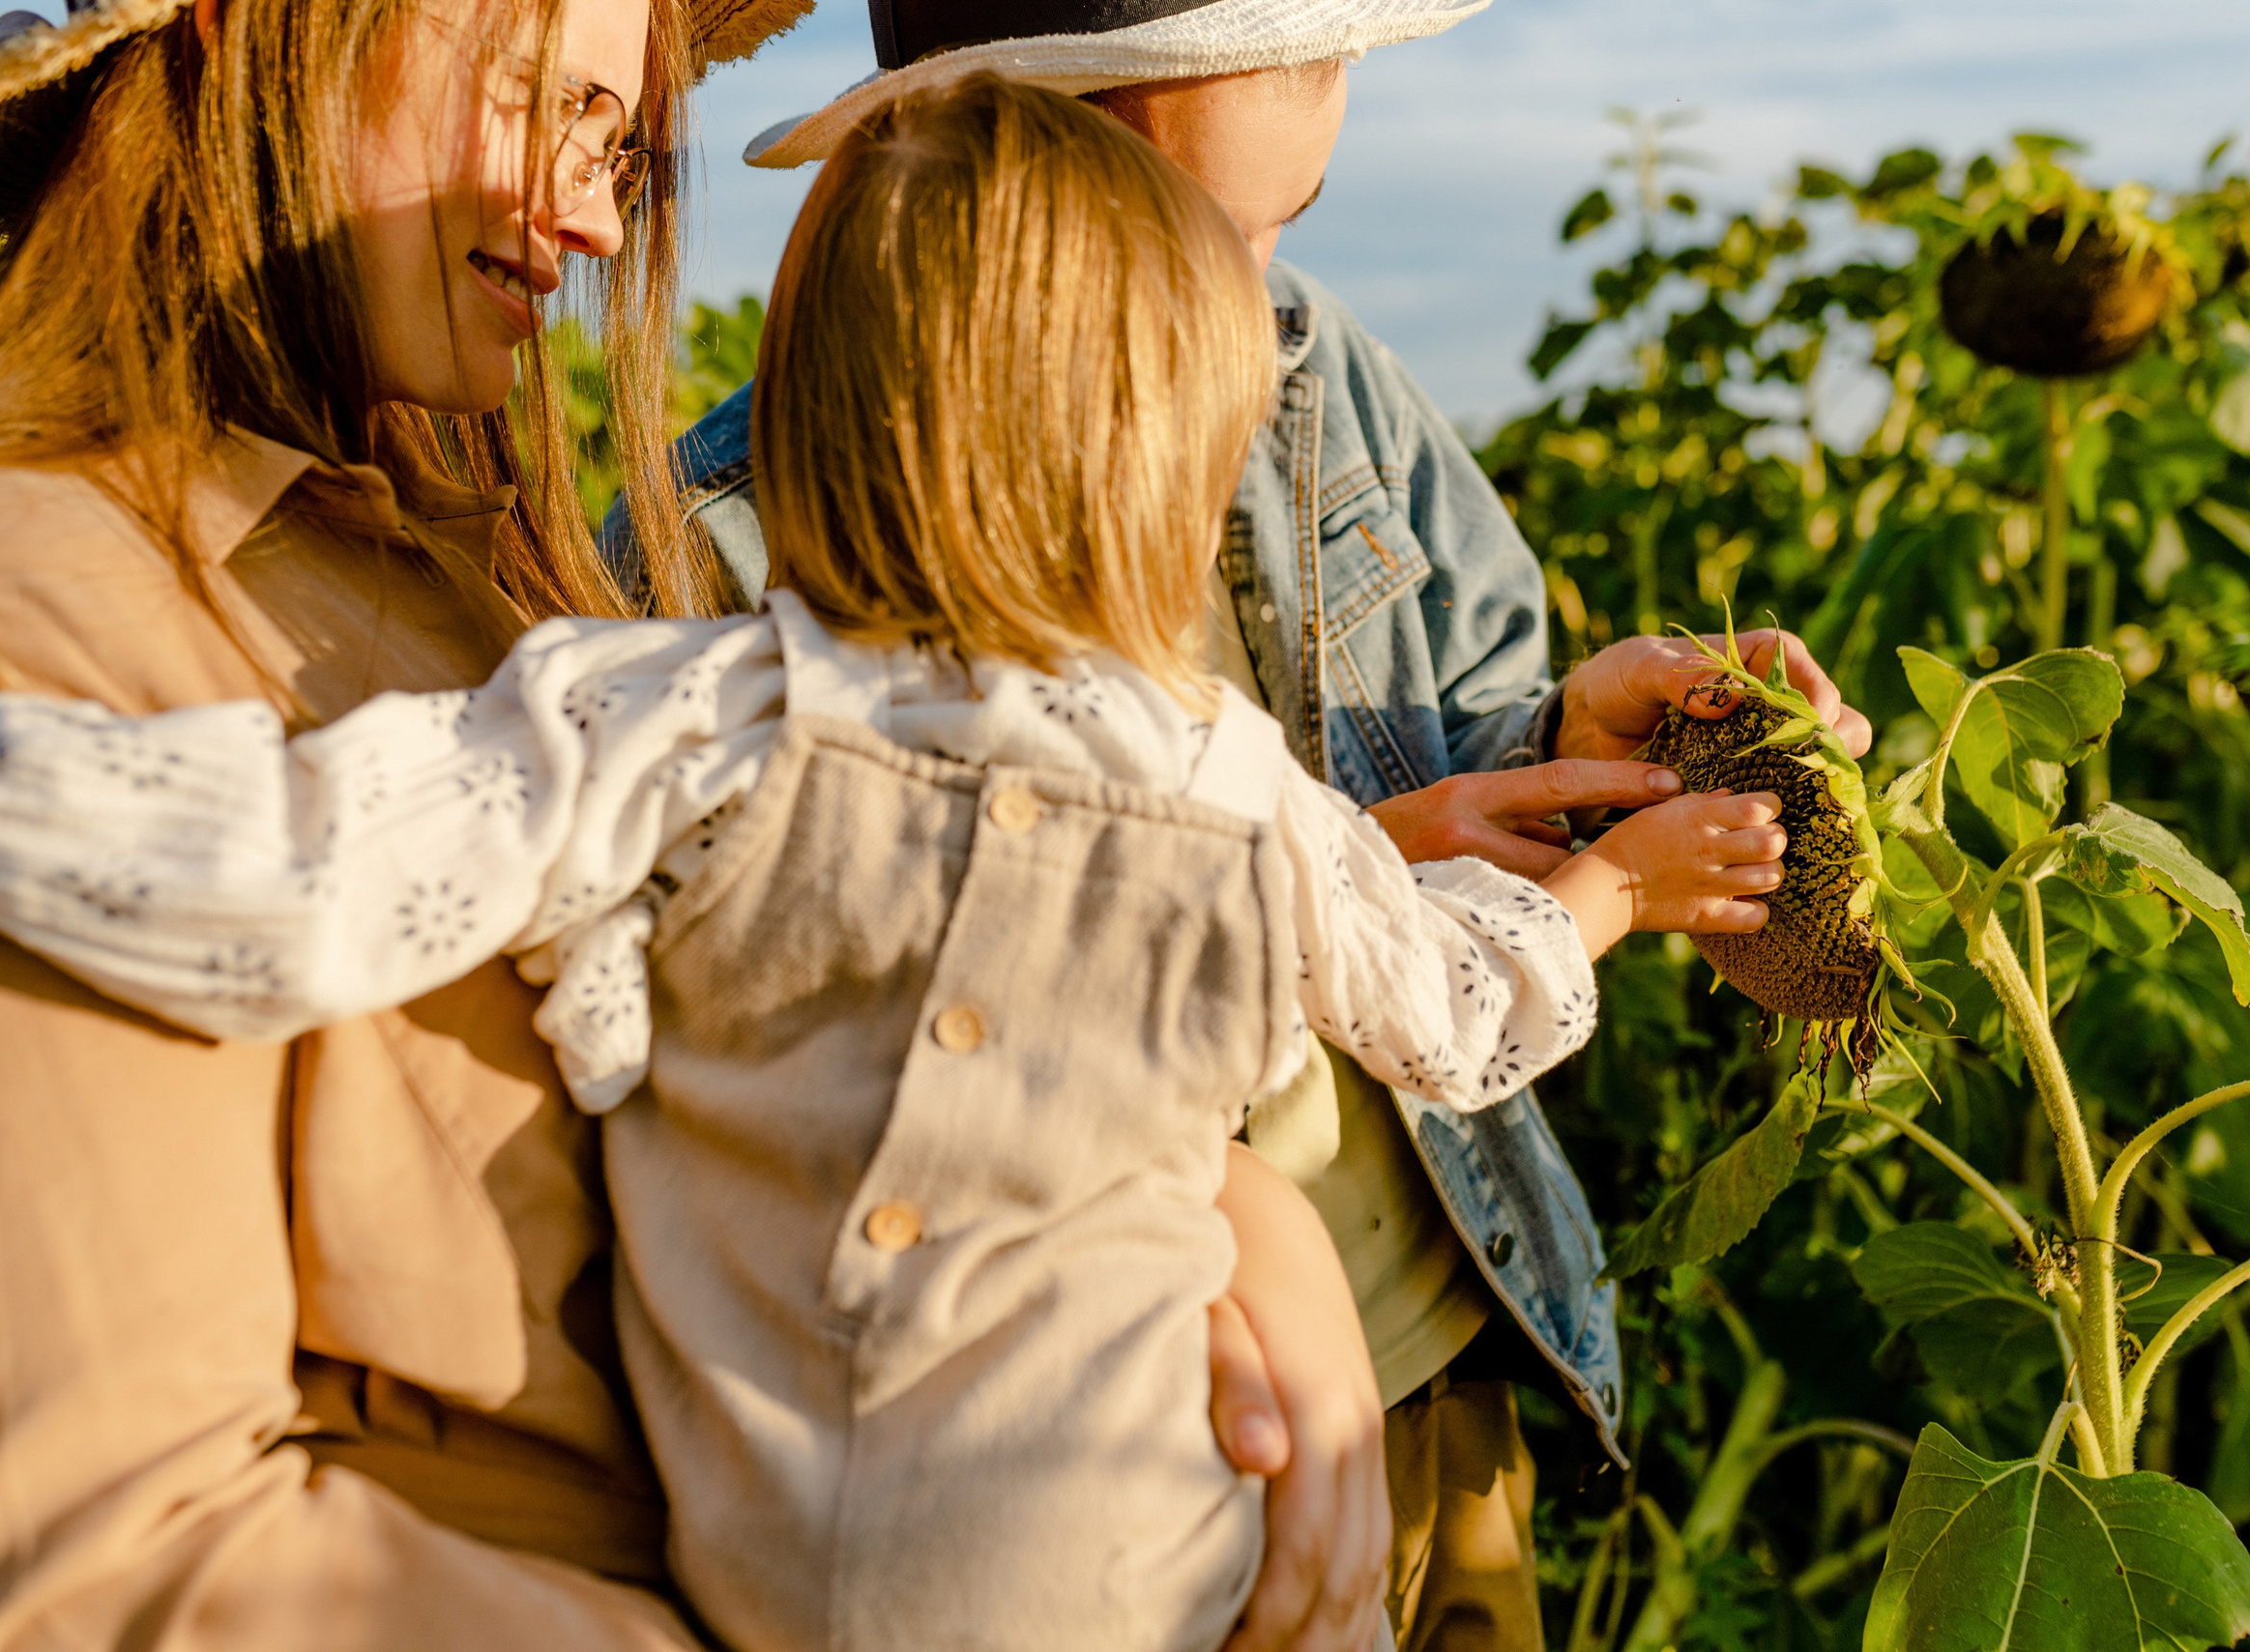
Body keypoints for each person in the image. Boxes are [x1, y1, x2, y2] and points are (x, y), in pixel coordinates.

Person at [0, 74, 1794, 1652]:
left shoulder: (671, 704)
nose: (588, 200)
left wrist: (13, 796)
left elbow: (298, 858)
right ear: (1164, 470)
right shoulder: (1221, 786)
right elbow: (1459, 998)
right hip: (1153, 1567)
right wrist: (1610, 892)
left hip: (778, 1555)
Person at [603, 2, 1877, 1643]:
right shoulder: (723, 551)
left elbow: (1429, 738)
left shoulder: (1302, 364)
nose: (1250, 303)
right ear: (1011, 176)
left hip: (1419, 1333)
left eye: (1285, 232)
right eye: (1210, 232)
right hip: (1046, 1465)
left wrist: (1565, 746)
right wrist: (1561, 894)